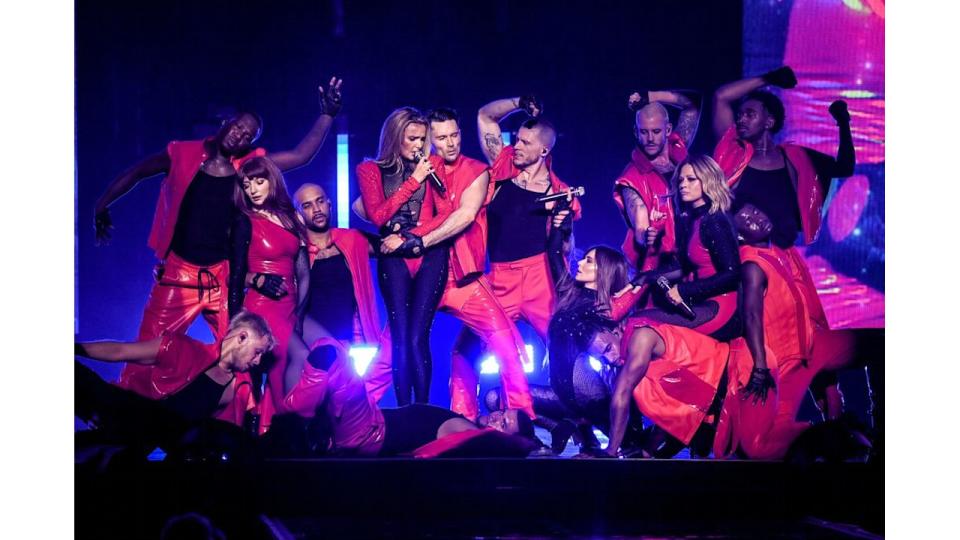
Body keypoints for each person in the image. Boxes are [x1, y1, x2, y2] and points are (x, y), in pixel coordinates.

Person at [93, 79, 342, 396]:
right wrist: (102, 205)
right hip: (178, 274)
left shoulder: (247, 168)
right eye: (240, 127)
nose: (242, 135)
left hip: (222, 279)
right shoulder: (182, 154)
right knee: (145, 353)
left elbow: (300, 155)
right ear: (227, 123)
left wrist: (327, 115)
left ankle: (240, 425)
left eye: (249, 135)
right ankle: (124, 413)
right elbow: (138, 172)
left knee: (243, 352)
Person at [394, 107, 535, 421]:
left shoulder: (477, 171)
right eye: (442, 137)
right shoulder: (415, 171)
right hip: (421, 277)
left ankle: (520, 419)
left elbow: (466, 215)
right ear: (430, 140)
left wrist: (419, 239)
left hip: (462, 281)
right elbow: (365, 205)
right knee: (390, 349)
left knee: (506, 343)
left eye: (455, 135)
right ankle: (359, 422)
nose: (451, 143)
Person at [711, 66, 855, 331]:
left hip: (784, 264)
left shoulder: (797, 159)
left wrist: (843, 122)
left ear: (769, 122)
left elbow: (844, 167)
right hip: (742, 262)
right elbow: (721, 97)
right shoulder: (733, 153)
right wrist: (768, 79)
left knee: (800, 336)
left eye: (750, 114)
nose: (741, 120)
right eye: (740, 115)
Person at [276, 322, 538, 457]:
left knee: (331, 353)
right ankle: (297, 422)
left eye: (504, 424)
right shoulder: (466, 422)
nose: (497, 418)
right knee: (330, 348)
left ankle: (295, 418)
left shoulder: (469, 433)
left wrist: (524, 444)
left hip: (368, 433)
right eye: (503, 413)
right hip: (369, 422)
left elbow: (489, 444)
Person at [356, 107, 453, 405]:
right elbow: (377, 215)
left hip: (428, 253)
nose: (418, 146)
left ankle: (422, 410)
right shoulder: (370, 170)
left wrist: (412, 236)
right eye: (412, 139)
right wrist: (413, 181)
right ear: (396, 137)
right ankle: (404, 412)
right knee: (399, 339)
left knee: (417, 337)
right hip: (393, 258)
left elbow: (448, 213)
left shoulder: (433, 164)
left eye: (422, 139)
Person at [75, 311, 275, 453]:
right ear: (242, 337)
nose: (257, 361)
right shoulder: (180, 347)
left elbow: (210, 438)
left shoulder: (237, 389)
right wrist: (74, 348)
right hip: (124, 408)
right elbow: (120, 351)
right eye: (257, 352)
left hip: (142, 443)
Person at [228, 157, 310, 433]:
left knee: (283, 366)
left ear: (272, 181)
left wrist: (299, 313)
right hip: (259, 310)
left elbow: (304, 274)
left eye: (259, 181)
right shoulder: (244, 221)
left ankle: (275, 431)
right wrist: (235, 319)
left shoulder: (292, 218)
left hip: (288, 306)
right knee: (288, 359)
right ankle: (284, 427)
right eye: (247, 184)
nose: (252, 189)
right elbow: (236, 274)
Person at [293, 182, 393, 403]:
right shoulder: (296, 252)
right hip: (315, 344)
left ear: (329, 204)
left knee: (385, 363)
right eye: (307, 206)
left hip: (352, 338)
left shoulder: (353, 239)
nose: (316, 209)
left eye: (320, 201)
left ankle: (361, 418)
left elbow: (392, 247)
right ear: (298, 214)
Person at [627, 154, 742, 341]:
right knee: (640, 317)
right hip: (702, 302)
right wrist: (645, 277)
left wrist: (684, 290)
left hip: (722, 307)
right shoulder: (691, 220)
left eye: (691, 179)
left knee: (640, 321)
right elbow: (682, 267)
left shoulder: (715, 221)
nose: (683, 185)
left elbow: (732, 274)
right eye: (680, 180)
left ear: (708, 180)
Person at [614, 89, 701, 274]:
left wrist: (650, 97)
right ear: (636, 132)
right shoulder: (631, 177)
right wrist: (645, 235)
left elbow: (693, 103)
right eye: (644, 132)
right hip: (660, 266)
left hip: (696, 251)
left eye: (656, 131)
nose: (650, 139)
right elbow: (638, 214)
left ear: (668, 130)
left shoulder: (678, 147)